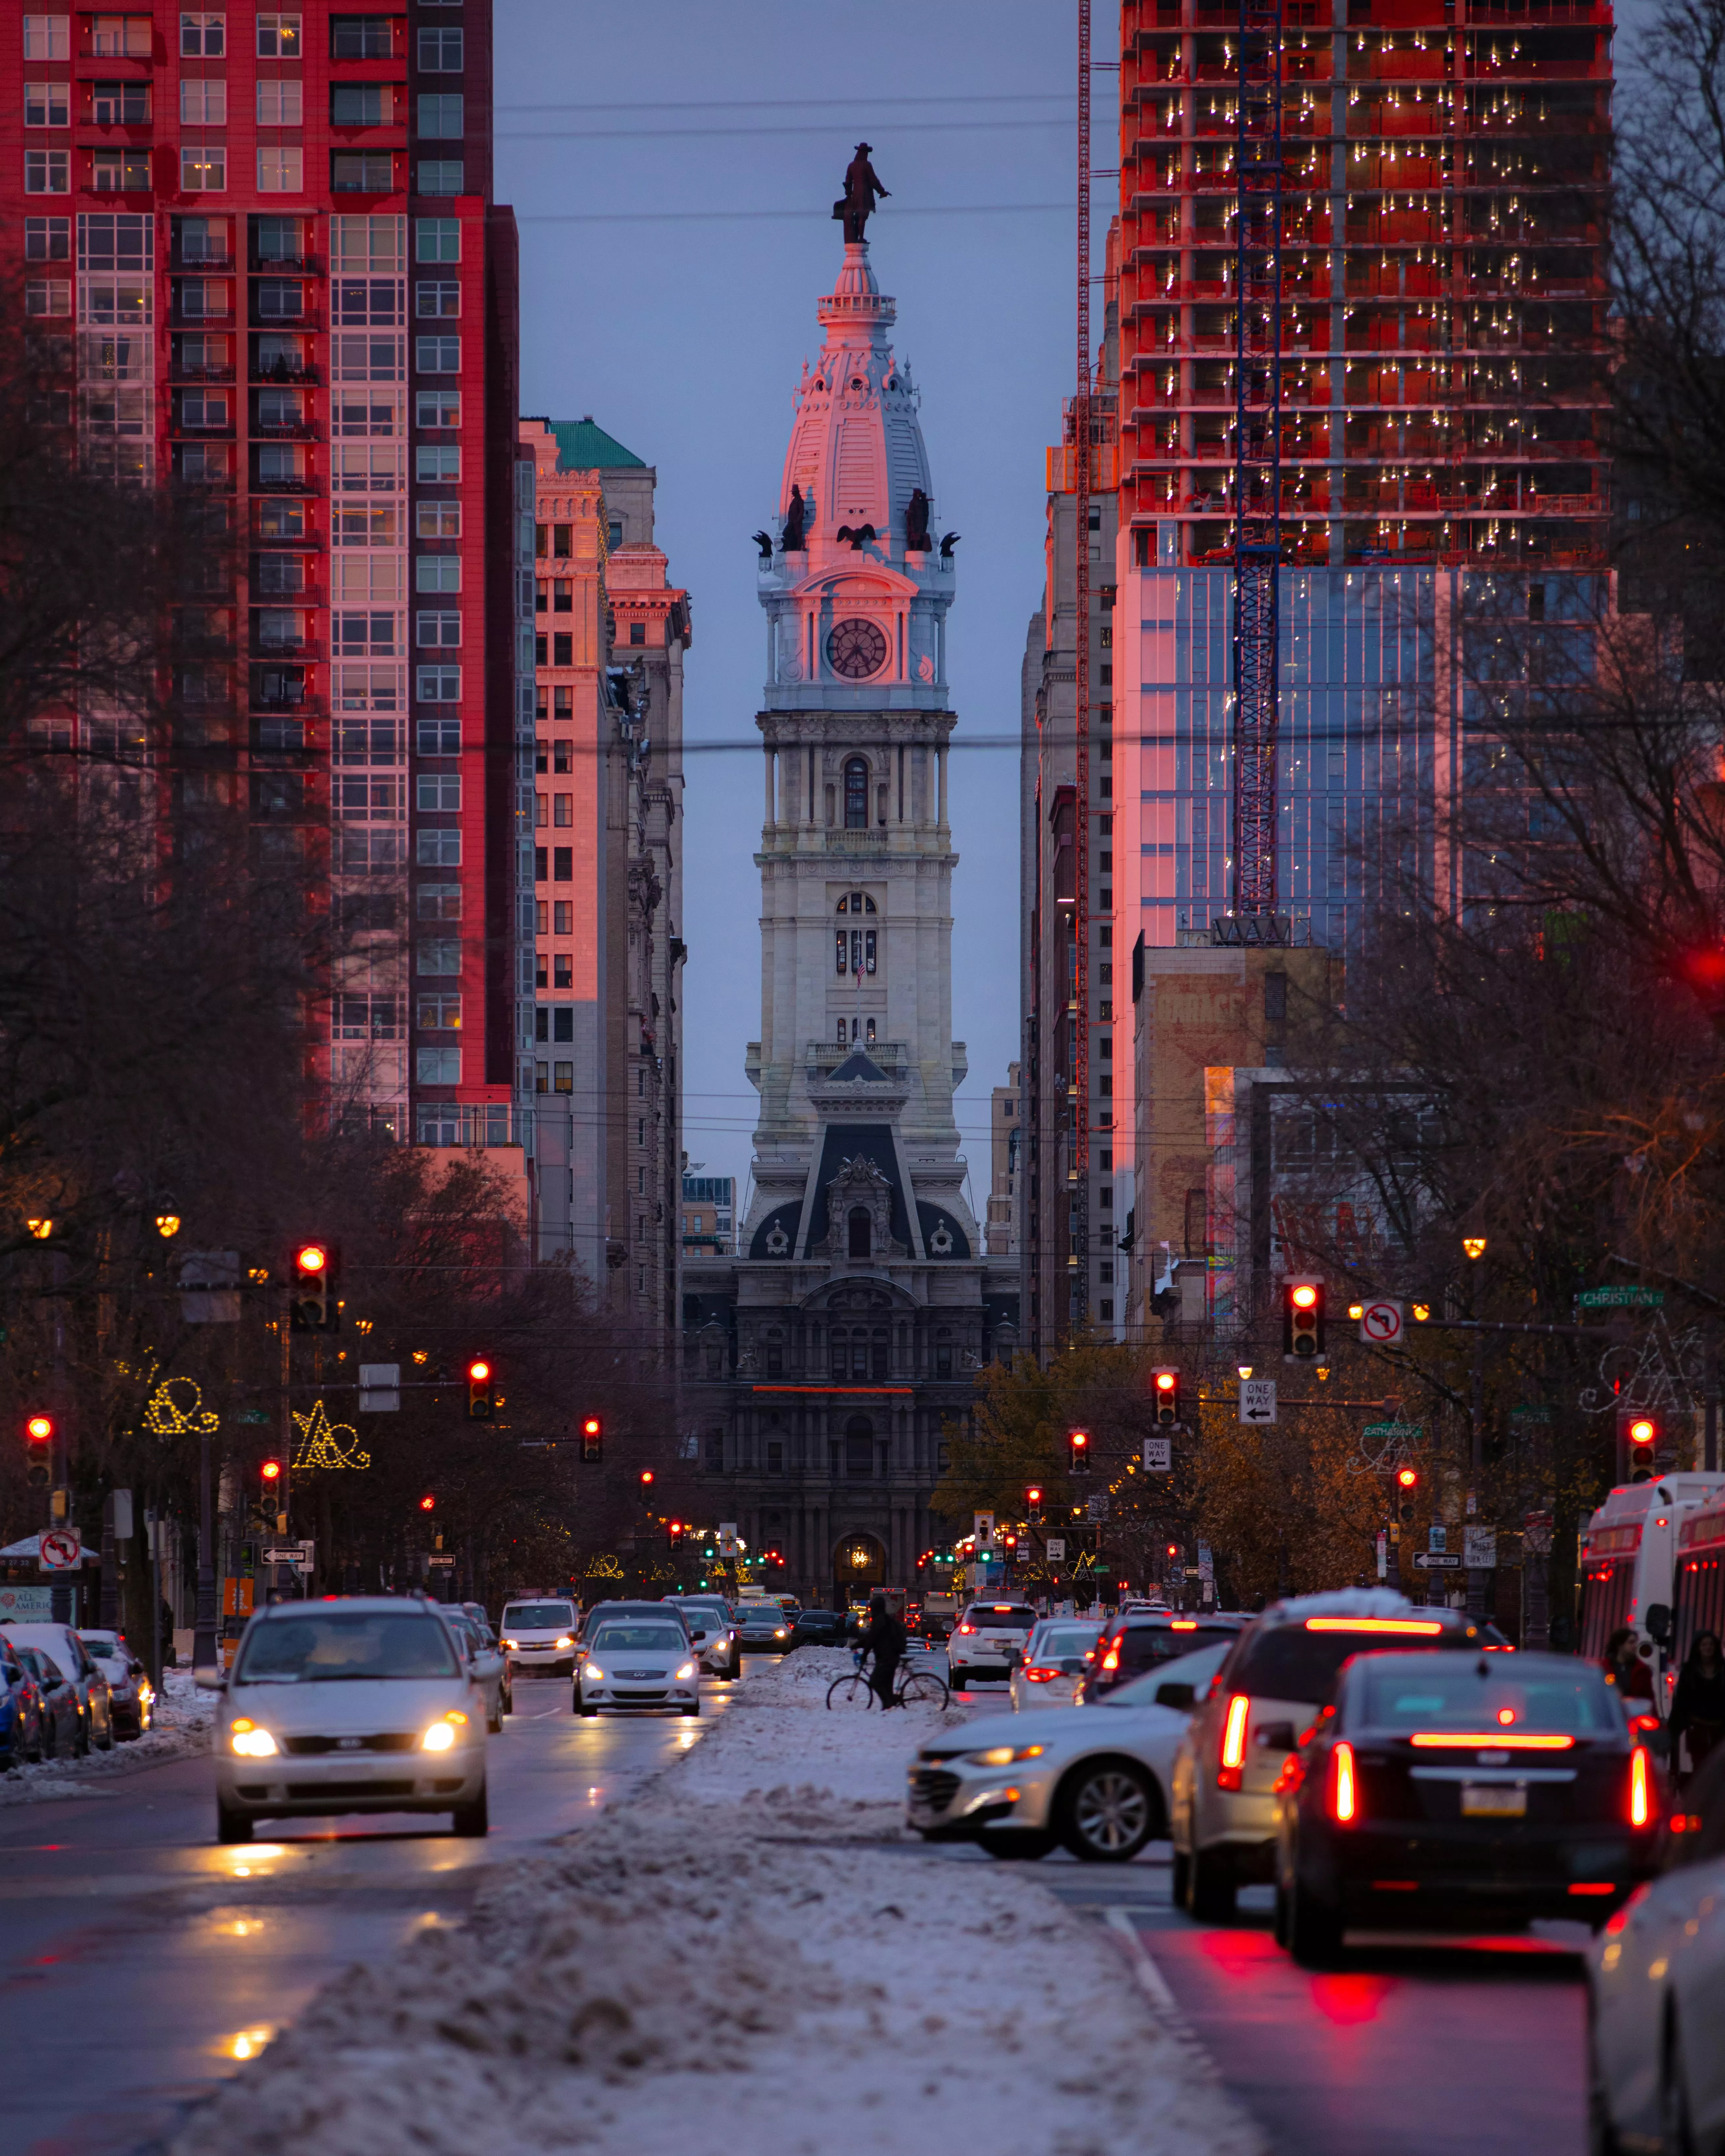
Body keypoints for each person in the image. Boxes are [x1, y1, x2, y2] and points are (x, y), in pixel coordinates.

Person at [1671, 1630, 1725, 1780]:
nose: (1708, 1648)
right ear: (1698, 1648)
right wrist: (1675, 1725)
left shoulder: (1722, 1670)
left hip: (1720, 1726)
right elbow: (1683, 1699)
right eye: (1704, 1645)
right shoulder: (1689, 1671)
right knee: (1700, 1762)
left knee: (1719, 1765)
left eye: (1711, 1645)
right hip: (1697, 1725)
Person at [857, 1593, 907, 1710]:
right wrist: (857, 1645)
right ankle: (889, 1706)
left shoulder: (880, 1620)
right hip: (890, 1656)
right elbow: (870, 1636)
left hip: (888, 1657)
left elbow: (872, 1639)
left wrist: (864, 1655)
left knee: (875, 1682)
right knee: (887, 1685)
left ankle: (888, 1705)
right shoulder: (883, 1619)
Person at [1602, 1624, 1655, 1703]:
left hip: (1632, 1713)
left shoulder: (1642, 1671)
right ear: (1620, 1645)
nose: (1635, 1646)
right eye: (1631, 1643)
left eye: (1636, 1642)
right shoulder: (1604, 1668)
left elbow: (1649, 1699)